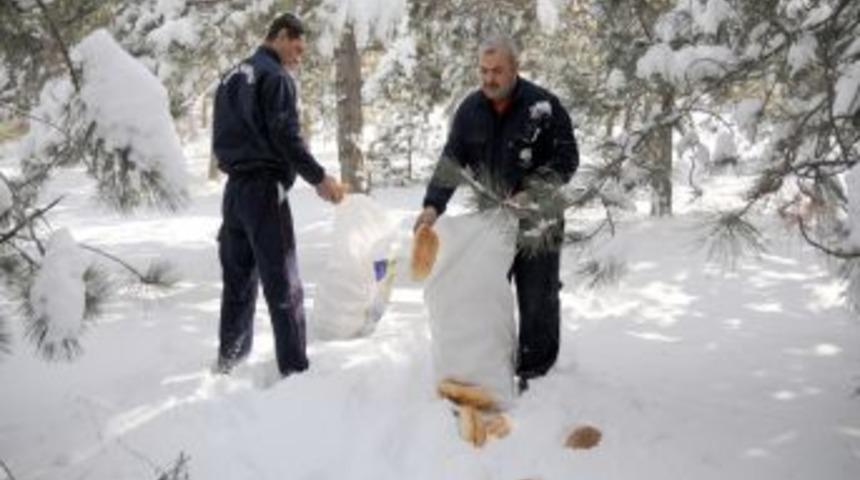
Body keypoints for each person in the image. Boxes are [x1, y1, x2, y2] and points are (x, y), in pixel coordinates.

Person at [414, 34, 579, 391]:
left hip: (539, 217)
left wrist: (533, 191)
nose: (489, 78)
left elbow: (568, 160)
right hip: (493, 219)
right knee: (485, 295)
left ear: (515, 68)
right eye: (484, 71)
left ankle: (536, 374)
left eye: (497, 71)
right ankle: (490, 368)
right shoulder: (470, 109)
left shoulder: (543, 106)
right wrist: (432, 206)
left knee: (537, 296)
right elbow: (451, 161)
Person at [212, 13, 343, 377]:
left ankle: (230, 361)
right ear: (281, 36)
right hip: (264, 191)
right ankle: (295, 369)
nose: (298, 57)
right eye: (297, 48)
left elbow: (220, 137)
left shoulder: (230, 76)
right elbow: (286, 136)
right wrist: (319, 178)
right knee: (283, 283)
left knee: (237, 281)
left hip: (234, 192)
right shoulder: (275, 77)